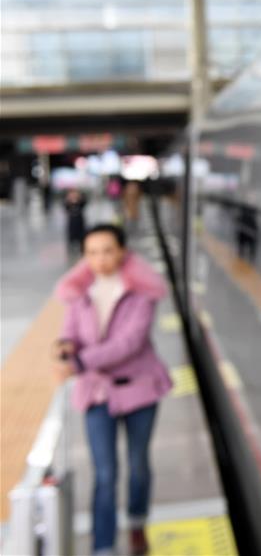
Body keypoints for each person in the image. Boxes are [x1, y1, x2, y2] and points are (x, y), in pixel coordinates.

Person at [53, 224, 172, 556]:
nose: (100, 259)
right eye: (91, 252)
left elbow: (130, 344)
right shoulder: (79, 292)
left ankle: (137, 519)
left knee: (138, 464)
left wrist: (78, 362)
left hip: (140, 391)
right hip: (97, 394)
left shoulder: (143, 291)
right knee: (104, 473)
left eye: (107, 250)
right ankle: (103, 545)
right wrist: (64, 346)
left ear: (122, 251)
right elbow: (70, 332)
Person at [64, 189, 87, 257]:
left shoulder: (80, 201)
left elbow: (84, 204)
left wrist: (79, 199)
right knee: (71, 232)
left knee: (81, 232)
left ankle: (81, 243)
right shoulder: (68, 201)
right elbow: (66, 208)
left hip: (79, 219)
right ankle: (71, 244)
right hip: (72, 220)